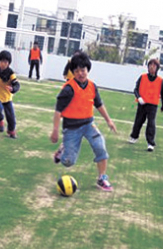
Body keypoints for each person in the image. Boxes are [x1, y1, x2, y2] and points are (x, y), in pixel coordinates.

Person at [50, 52, 117, 192]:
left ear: (88, 69)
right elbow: (58, 110)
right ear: (73, 72)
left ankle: (102, 178)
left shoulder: (92, 86)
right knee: (68, 162)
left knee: (101, 147)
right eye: (77, 71)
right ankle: (62, 151)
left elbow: (98, 104)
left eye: (83, 70)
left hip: (88, 124)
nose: (81, 73)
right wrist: (55, 130)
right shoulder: (68, 89)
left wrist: (109, 121)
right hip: (71, 128)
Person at [128, 58, 163, 152]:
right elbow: (136, 89)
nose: (152, 67)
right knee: (138, 121)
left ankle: (150, 143)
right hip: (142, 103)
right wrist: (139, 97)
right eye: (150, 65)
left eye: (154, 65)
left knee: (151, 123)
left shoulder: (160, 80)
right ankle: (134, 136)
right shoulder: (142, 77)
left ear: (157, 68)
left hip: (153, 105)